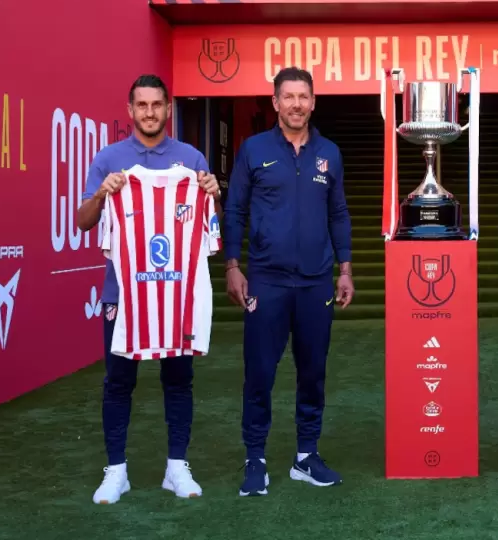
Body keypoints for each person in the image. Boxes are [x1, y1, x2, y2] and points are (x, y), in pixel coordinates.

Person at [77, 74, 221, 504]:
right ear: (130, 110)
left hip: (175, 295)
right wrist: (102, 195)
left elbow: (209, 227)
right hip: (123, 293)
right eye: (142, 105)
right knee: (119, 381)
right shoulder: (109, 158)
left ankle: (176, 467)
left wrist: (213, 192)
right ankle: (115, 471)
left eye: (157, 104)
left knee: (179, 379)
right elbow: (83, 221)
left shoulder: (191, 158)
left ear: (168, 108)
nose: (150, 112)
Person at [222, 66, 354, 495]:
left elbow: (338, 213)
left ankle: (306, 456)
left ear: (313, 102)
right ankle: (255, 458)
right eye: (289, 97)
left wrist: (345, 269)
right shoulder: (254, 149)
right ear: (276, 102)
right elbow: (235, 209)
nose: (297, 104)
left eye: (304, 97)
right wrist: (232, 265)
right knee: (260, 373)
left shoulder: (329, 153)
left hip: (316, 282)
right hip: (267, 281)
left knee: (312, 373)